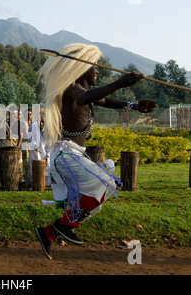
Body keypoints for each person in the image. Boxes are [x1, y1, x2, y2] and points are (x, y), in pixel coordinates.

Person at [34, 43, 156, 260]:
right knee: (106, 182)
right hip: (66, 155)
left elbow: (104, 100)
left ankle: (49, 233)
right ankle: (63, 225)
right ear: (82, 68)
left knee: (105, 188)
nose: (98, 70)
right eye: (95, 66)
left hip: (75, 155)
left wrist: (133, 105)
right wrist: (120, 82)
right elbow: (86, 98)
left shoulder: (83, 92)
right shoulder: (71, 88)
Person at [27, 110, 50, 187]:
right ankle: (32, 184)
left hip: (44, 151)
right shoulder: (32, 127)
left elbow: (49, 144)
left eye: (43, 121)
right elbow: (31, 139)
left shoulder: (48, 130)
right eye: (40, 121)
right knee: (33, 167)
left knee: (46, 167)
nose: (41, 123)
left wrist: (47, 155)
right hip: (34, 151)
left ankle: (45, 184)